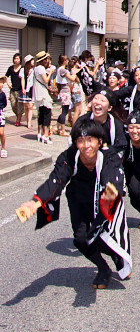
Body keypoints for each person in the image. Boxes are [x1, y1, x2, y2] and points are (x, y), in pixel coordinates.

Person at [16, 120, 132, 288]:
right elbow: (55, 180)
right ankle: (103, 268)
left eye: (90, 140)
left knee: (102, 235)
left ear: (100, 141)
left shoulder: (109, 156)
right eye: (80, 140)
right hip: (78, 197)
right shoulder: (69, 156)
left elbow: (113, 178)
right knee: (81, 239)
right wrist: (35, 203)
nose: (86, 145)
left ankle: (116, 254)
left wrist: (112, 191)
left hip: (104, 199)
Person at [74, 91, 127, 156]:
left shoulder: (116, 124)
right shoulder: (82, 121)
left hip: (108, 159)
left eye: (102, 100)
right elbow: (73, 142)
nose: (98, 102)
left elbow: (121, 146)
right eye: (96, 98)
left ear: (109, 108)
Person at [31, 52, 55, 144]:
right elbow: (46, 80)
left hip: (38, 93)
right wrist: (51, 73)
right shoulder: (41, 68)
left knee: (41, 114)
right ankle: (45, 135)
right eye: (46, 59)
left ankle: (40, 133)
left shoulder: (36, 69)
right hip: (42, 93)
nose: (47, 61)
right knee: (47, 114)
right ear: (43, 60)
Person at [6, 53, 23, 122]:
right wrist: (8, 84)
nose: (16, 60)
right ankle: (18, 116)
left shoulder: (22, 68)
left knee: (20, 106)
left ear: (20, 60)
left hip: (20, 90)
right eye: (15, 59)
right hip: (13, 90)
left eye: (17, 59)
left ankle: (18, 120)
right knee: (13, 105)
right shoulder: (11, 68)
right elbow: (6, 76)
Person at [0, 77, 8, 157]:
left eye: (2, 83)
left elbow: (5, 104)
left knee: (1, 132)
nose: (1, 84)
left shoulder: (3, 94)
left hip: (0, 113)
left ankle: (3, 147)